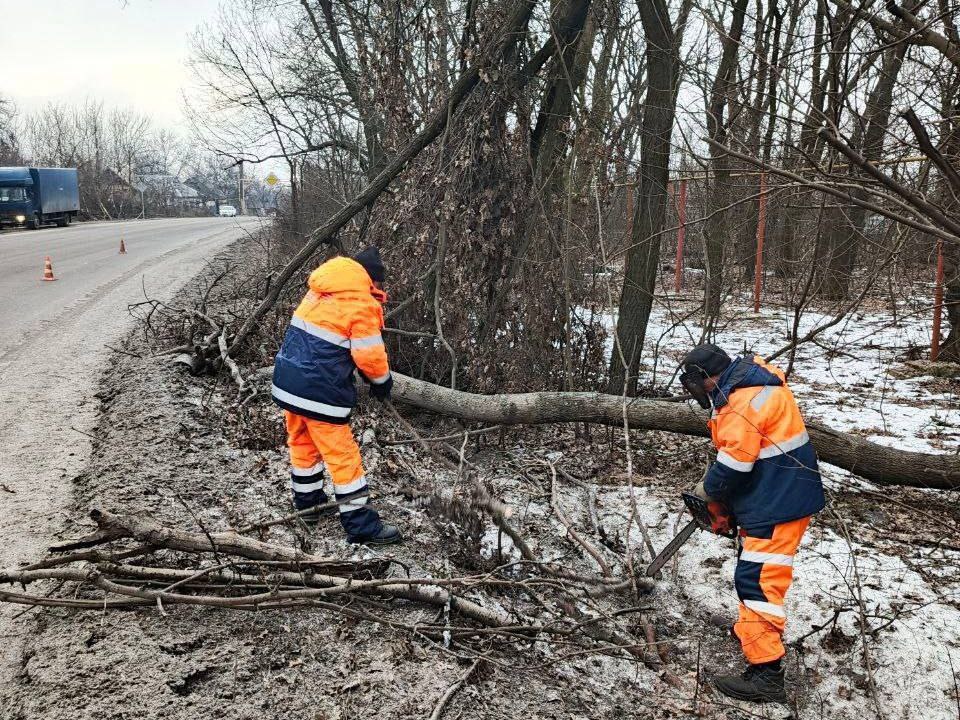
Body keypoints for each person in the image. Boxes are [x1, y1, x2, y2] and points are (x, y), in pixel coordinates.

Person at [679, 344, 825, 704]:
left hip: (777, 502)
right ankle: (751, 630)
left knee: (757, 580)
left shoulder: (741, 405)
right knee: (753, 569)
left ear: (707, 377)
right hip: (775, 490)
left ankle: (766, 673)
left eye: (697, 383)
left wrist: (709, 491)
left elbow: (734, 466)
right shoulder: (749, 381)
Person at [271, 246, 401, 546]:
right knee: (343, 457)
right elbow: (369, 356)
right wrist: (382, 383)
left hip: (288, 382)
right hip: (319, 391)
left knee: (303, 446)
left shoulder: (320, 290)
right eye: (380, 283)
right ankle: (361, 526)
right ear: (372, 280)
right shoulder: (360, 301)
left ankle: (309, 507)